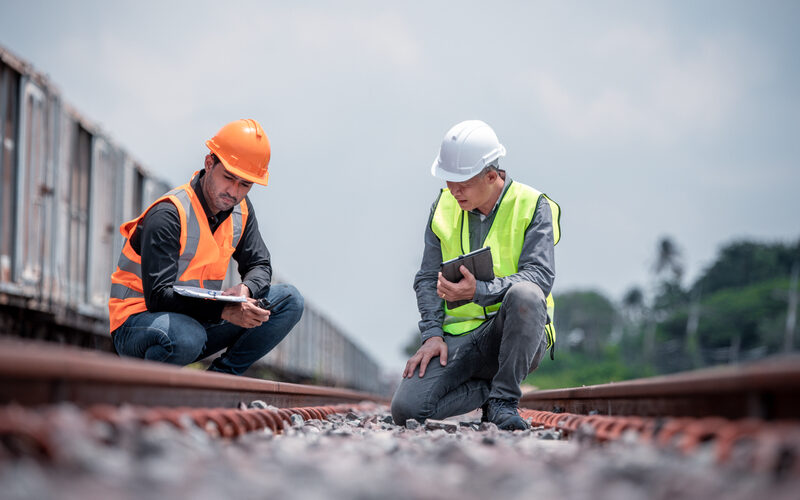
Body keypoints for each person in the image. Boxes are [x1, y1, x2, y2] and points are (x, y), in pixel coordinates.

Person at [391, 120, 561, 430]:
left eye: (462, 183)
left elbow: (539, 277)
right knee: (407, 409)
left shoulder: (532, 206)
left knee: (526, 294)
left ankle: (503, 401)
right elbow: (428, 277)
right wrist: (432, 334)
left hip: (515, 335)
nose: (453, 191)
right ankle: (489, 391)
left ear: (492, 176)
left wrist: (477, 291)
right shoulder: (443, 206)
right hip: (462, 339)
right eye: (448, 181)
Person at [108, 119, 304, 375]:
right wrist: (225, 310)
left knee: (289, 300)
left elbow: (260, 265)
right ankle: (149, 388)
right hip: (139, 324)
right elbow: (159, 297)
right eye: (229, 178)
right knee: (187, 336)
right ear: (209, 164)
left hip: (197, 319)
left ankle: (221, 381)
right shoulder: (169, 214)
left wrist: (245, 289)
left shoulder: (240, 212)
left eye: (244, 184)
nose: (233, 191)